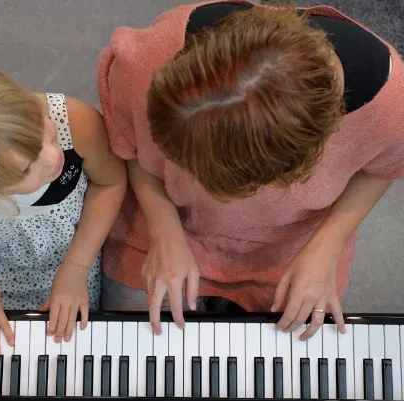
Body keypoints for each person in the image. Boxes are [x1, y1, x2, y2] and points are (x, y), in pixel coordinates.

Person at [96, 0, 404, 340]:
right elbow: (131, 148)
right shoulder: (147, 61)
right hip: (163, 214)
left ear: (309, 152)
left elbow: (382, 168)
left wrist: (327, 249)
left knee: (297, 334)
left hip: (294, 243)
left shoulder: (391, 103)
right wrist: (164, 230)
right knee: (132, 327)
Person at [0, 61, 127, 355]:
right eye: (25, 170)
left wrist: (75, 269)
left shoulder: (76, 122)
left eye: (42, 130)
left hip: (69, 258)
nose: (52, 157)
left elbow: (110, 183)